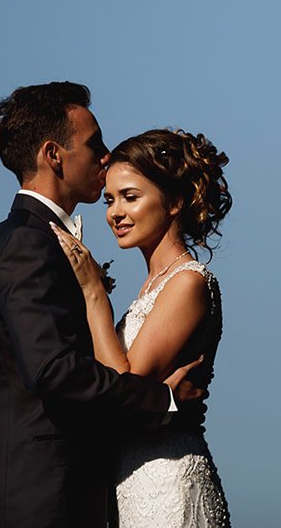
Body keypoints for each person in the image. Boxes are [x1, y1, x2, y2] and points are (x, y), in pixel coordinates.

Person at [0, 82, 206, 528]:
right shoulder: (27, 243)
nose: (106, 155)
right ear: (54, 155)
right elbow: (54, 371)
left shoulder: (30, 239)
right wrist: (164, 401)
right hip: (42, 503)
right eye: (94, 143)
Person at [53, 127, 232, 528]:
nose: (114, 213)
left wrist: (94, 293)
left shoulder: (188, 282)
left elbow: (124, 384)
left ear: (174, 202)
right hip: (128, 481)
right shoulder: (151, 286)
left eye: (130, 197)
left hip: (169, 483)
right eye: (109, 200)